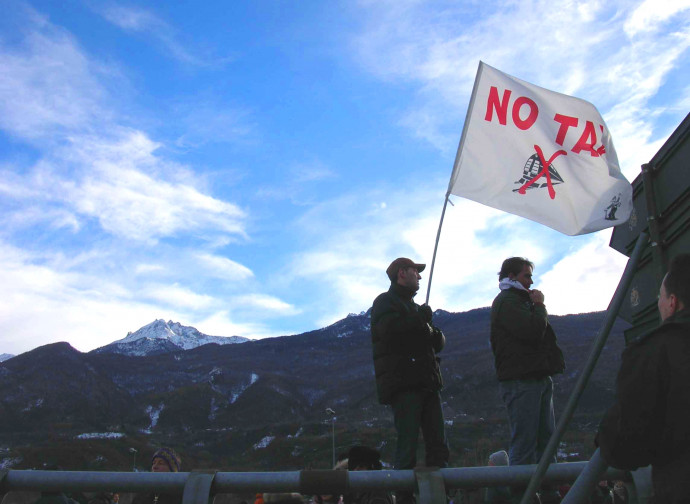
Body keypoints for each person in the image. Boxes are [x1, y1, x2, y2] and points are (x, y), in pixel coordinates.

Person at [597, 253, 690, 502]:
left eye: (660, 296)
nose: (658, 302)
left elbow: (626, 447)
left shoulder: (655, 351)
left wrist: (605, 431)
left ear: (672, 302)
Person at [370, 258, 449, 503]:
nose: (420, 276)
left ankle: (440, 496)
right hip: (404, 384)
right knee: (408, 445)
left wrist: (432, 330)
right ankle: (405, 498)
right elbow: (390, 332)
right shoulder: (385, 301)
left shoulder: (414, 308)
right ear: (401, 273)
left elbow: (437, 342)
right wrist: (420, 320)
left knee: (438, 444)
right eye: (416, 271)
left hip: (427, 382)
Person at [490, 257, 564, 503]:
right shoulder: (507, 302)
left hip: (537, 376)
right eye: (526, 276)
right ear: (511, 277)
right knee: (524, 443)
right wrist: (541, 306)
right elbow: (533, 332)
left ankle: (550, 493)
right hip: (521, 381)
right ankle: (522, 497)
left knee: (547, 440)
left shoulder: (519, 301)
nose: (531, 281)